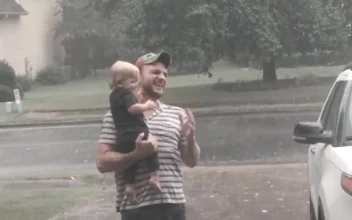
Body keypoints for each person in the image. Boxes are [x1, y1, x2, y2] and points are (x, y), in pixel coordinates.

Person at [96, 51, 201, 220]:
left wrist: (190, 137)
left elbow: (191, 161)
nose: (162, 77)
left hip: (174, 208)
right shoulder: (116, 116)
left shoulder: (177, 114)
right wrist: (136, 155)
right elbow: (102, 163)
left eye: (165, 74)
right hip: (136, 210)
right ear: (136, 76)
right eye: (155, 72)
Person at [108, 60, 161, 203]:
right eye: (133, 82)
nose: (136, 84)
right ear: (120, 82)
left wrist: (135, 93)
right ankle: (154, 177)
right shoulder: (127, 94)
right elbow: (132, 108)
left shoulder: (114, 96)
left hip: (123, 136)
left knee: (130, 163)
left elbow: (124, 107)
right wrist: (146, 105)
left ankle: (130, 186)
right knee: (152, 148)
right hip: (137, 131)